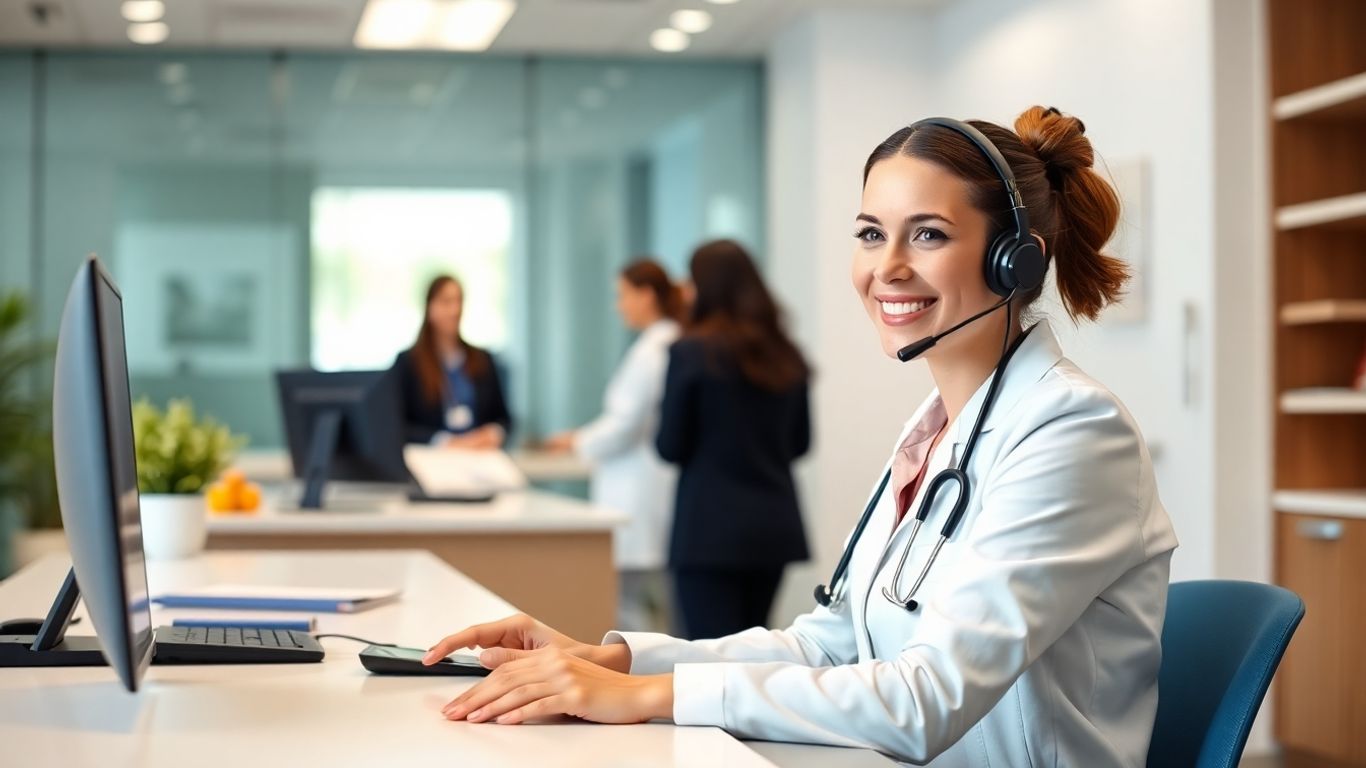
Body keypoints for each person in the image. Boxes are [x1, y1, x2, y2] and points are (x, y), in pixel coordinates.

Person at [420, 106, 1178, 767]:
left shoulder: (1074, 432)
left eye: (929, 235)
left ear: (1014, 261)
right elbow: (831, 642)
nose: (888, 268)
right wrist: (612, 657)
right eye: (872, 233)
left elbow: (925, 703)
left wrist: (648, 696)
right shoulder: (938, 434)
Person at [654, 240, 811, 640]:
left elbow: (670, 446)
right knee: (750, 654)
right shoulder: (785, 353)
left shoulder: (690, 352)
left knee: (706, 659)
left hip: (707, 531)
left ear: (704, 287)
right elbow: (800, 443)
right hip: (772, 529)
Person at [543, 259, 684, 632]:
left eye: (623, 295)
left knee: (635, 610)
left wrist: (577, 441)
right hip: (641, 488)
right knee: (644, 606)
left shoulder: (657, 350)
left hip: (639, 491)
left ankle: (639, 681)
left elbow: (624, 425)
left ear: (646, 294)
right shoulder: (657, 345)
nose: (618, 305)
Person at [392, 275, 512, 450]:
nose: (455, 310)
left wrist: (494, 432)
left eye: (458, 301)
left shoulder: (482, 359)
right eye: (446, 302)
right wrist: (443, 441)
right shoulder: (409, 363)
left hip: (479, 455)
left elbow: (504, 419)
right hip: (434, 458)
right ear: (429, 307)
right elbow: (397, 425)